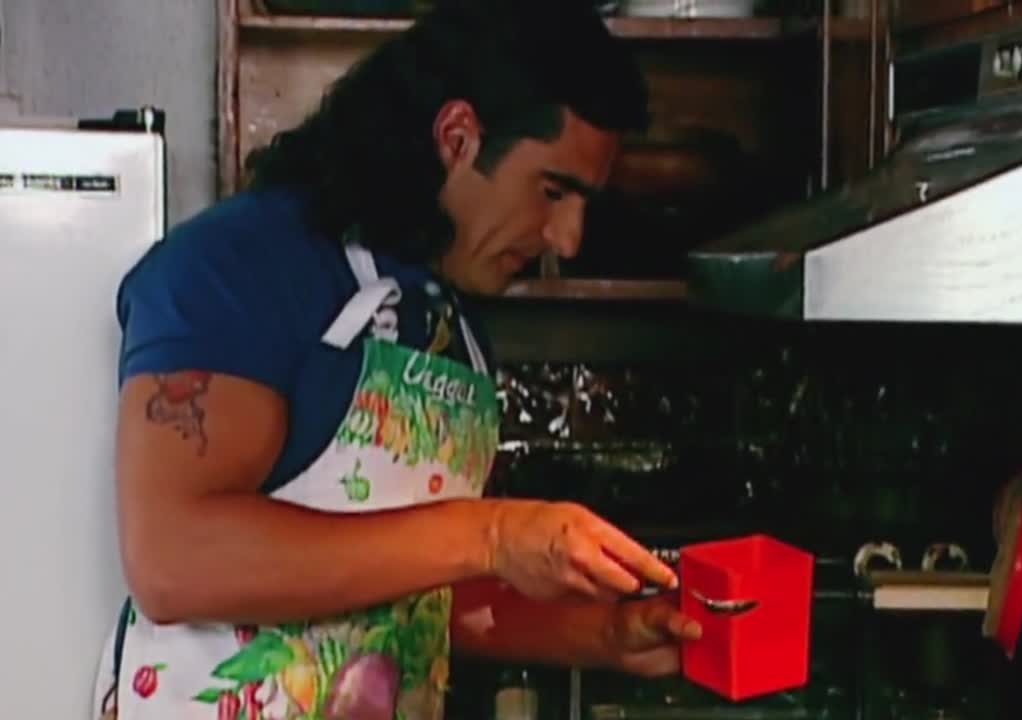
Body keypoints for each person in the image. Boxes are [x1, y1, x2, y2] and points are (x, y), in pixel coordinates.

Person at [92, 1, 701, 718]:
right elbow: (173, 560)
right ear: (458, 137)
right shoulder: (237, 268)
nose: (567, 240)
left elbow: (420, 598)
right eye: (553, 191)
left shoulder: (449, 322)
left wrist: (603, 636)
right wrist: (494, 532)